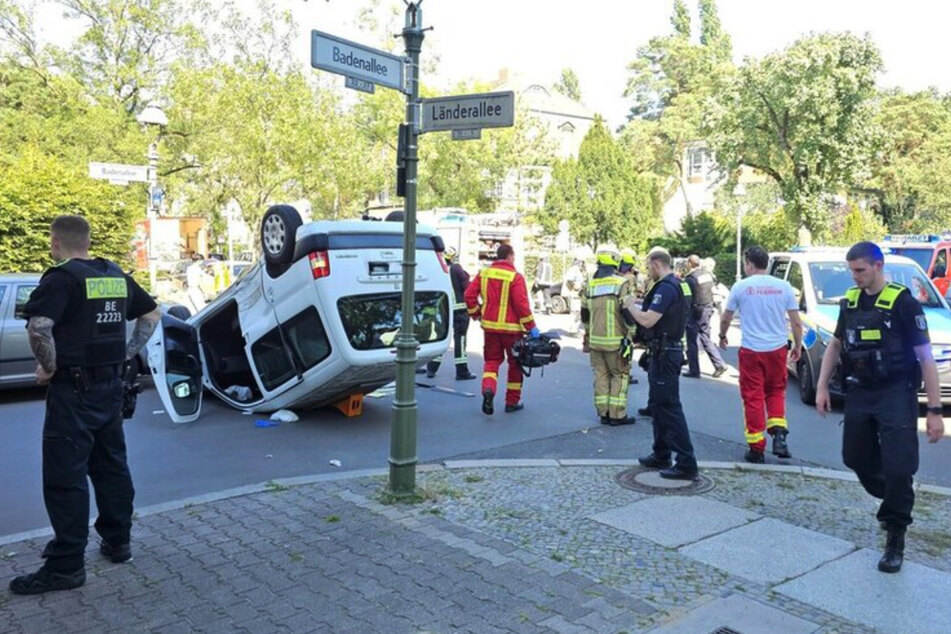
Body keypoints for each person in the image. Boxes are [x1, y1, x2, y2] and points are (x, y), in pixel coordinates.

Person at [11, 215, 161, 595]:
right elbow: (152, 315)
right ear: (88, 240)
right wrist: (127, 355)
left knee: (65, 477)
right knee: (110, 466)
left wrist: (48, 368)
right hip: (110, 388)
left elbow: (39, 327)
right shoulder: (113, 274)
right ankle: (118, 542)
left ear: (55, 241)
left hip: (73, 392)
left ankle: (65, 566)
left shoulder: (61, 277)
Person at [815, 241, 944, 573]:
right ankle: (896, 497)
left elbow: (925, 358)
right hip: (860, 392)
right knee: (854, 457)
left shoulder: (903, 303)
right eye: (851, 271)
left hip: (896, 393)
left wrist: (933, 410)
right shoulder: (851, 302)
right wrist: (820, 388)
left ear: (877, 266)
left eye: (859, 270)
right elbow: (835, 345)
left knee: (899, 466)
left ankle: (895, 534)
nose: (854, 277)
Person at [718, 246, 803, 464]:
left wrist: (722, 335)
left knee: (753, 396)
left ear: (749, 264)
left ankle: (756, 448)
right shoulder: (783, 287)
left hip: (751, 351)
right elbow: (795, 321)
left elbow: (726, 317)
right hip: (776, 349)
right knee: (776, 391)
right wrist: (798, 345)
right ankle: (779, 436)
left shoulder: (741, 287)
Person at [625, 248, 699, 480]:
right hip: (666, 349)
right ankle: (661, 453)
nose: (648, 271)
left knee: (668, 405)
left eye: (649, 266)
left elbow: (648, 318)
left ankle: (686, 462)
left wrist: (629, 305)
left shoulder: (666, 287)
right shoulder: (678, 284)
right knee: (658, 404)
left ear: (657, 264)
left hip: (666, 352)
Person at [465, 244, 538, 415]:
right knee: (515, 364)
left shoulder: (484, 273)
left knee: (492, 362)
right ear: (510, 257)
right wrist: (532, 327)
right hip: (512, 331)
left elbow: (469, 295)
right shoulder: (516, 277)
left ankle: (488, 390)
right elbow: (521, 305)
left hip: (490, 328)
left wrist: (477, 314)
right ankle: (512, 402)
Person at [582, 246, 635, 426]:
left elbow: (584, 314)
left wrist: (588, 334)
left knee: (600, 376)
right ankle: (617, 415)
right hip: (616, 342)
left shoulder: (590, 284)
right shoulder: (620, 283)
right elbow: (627, 311)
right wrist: (633, 332)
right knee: (620, 376)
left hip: (595, 341)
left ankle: (603, 413)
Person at [426, 246, 477, 381]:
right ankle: (461, 371)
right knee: (460, 339)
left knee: (440, 338)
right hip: (459, 310)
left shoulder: (438, 270)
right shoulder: (457, 269)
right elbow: (468, 289)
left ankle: (431, 368)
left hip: (443, 311)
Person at [684, 254, 727, 379]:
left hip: (695, 310)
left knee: (691, 341)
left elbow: (686, 297)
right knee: (705, 337)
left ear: (689, 264)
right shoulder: (707, 275)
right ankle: (719, 364)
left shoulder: (690, 279)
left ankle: (694, 370)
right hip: (707, 309)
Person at [565, 256, 586, 335]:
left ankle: (578, 329)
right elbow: (569, 281)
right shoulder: (573, 269)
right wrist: (575, 288)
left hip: (579, 294)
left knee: (579, 313)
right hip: (574, 294)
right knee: (575, 312)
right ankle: (573, 330)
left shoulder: (580, 270)